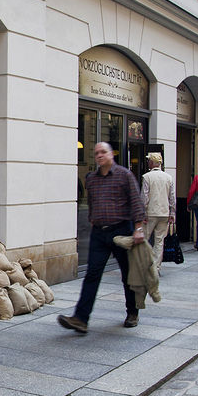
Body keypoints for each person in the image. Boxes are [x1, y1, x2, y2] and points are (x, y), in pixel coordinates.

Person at [59, 142, 145, 334]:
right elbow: (91, 202)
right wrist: (90, 222)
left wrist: (138, 229)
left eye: (103, 152)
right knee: (92, 274)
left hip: (121, 231)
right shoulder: (91, 179)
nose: (99, 155)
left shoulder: (124, 175)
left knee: (127, 275)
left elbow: (136, 202)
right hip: (99, 233)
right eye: (96, 152)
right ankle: (81, 319)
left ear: (111, 155)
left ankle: (132, 312)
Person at [141, 152, 175, 273]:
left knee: (144, 240)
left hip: (150, 213)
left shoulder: (147, 177)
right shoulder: (168, 178)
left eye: (148, 160)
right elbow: (172, 198)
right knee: (159, 242)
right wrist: (172, 214)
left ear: (152, 162)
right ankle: (155, 268)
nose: (147, 162)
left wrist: (142, 213)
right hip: (164, 213)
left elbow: (144, 197)